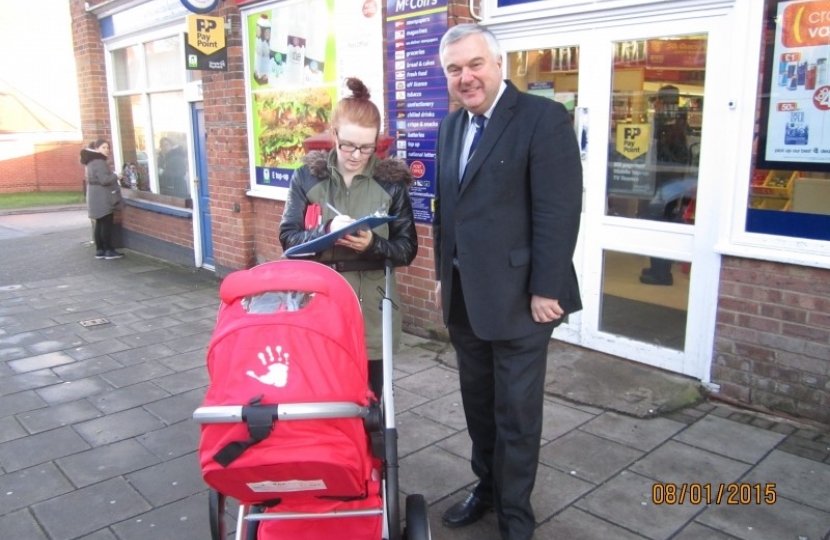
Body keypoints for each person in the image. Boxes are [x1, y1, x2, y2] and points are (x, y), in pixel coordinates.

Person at [433, 24, 582, 540]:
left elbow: (558, 211)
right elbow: (447, 212)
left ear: (499, 64)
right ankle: (488, 489)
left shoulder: (542, 119)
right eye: (454, 69)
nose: (465, 77)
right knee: (479, 406)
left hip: (523, 299)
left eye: (474, 64)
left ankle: (516, 513)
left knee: (516, 414)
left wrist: (548, 287)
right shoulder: (452, 127)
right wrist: (440, 277)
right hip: (466, 299)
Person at [279, 77, 418, 397]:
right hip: (318, 303)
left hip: (373, 307)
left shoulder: (391, 183)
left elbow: (407, 248)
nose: (357, 155)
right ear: (334, 135)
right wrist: (325, 231)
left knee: (372, 398)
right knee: (321, 395)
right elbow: (288, 239)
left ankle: (373, 447)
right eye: (348, 146)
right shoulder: (307, 176)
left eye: (367, 147)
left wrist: (374, 245)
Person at [639, 85, 690, 286]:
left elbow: (664, 158)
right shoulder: (677, 122)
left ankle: (661, 273)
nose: (655, 105)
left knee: (659, 224)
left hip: (665, 185)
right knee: (663, 223)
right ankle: (658, 268)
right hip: (672, 185)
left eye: (657, 101)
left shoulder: (667, 126)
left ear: (662, 101)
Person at [80, 139, 124, 260]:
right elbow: (104, 180)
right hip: (102, 196)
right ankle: (109, 250)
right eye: (103, 147)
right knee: (106, 222)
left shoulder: (90, 161)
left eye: (107, 147)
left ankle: (100, 250)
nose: (106, 150)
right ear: (97, 149)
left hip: (94, 194)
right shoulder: (99, 161)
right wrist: (116, 175)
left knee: (99, 222)